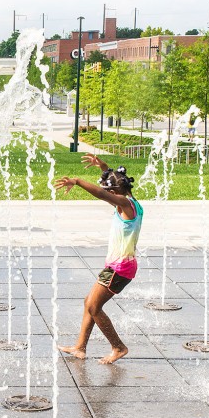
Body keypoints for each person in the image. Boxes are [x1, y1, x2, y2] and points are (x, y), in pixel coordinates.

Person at [54, 154, 142, 364]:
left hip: (120, 269)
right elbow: (114, 177)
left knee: (94, 307)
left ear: (115, 193)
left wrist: (77, 181)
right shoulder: (130, 200)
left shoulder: (124, 205)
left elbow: (102, 193)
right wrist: (102, 166)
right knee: (89, 302)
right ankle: (80, 348)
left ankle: (118, 347)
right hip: (118, 266)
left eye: (110, 191)